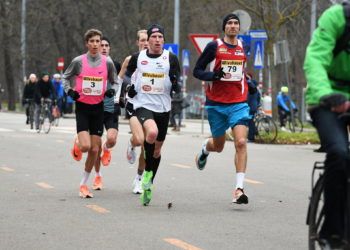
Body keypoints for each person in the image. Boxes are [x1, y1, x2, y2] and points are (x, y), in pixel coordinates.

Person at [303, 2, 350, 248]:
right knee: (340, 154)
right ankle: (331, 233)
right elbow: (315, 58)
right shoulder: (337, 17)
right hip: (327, 98)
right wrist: (325, 93)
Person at [193, 13, 253, 204]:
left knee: (241, 142)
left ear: (239, 28)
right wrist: (214, 76)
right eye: (229, 23)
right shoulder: (214, 46)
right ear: (224, 27)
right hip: (216, 104)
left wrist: (249, 83)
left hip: (238, 103)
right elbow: (197, 71)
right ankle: (205, 148)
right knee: (218, 147)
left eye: (236, 23)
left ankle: (239, 189)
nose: (233, 26)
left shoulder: (245, 46)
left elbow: (240, 71)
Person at [123, 24, 181, 205]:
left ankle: (148, 183)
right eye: (154, 37)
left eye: (160, 37)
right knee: (152, 133)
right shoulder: (138, 57)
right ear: (148, 41)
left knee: (156, 150)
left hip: (163, 107)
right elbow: (127, 76)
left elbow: (176, 81)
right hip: (143, 104)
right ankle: (146, 172)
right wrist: (129, 88)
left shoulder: (171, 58)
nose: (157, 40)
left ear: (164, 40)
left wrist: (175, 84)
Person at [62, 29, 119, 198]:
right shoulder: (79, 61)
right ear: (87, 43)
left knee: (95, 150)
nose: (96, 45)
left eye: (98, 42)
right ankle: (78, 142)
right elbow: (65, 77)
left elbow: (115, 81)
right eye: (92, 41)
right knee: (86, 146)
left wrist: (111, 92)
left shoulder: (107, 62)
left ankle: (83, 185)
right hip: (82, 107)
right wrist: (69, 91)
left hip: (98, 108)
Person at [119, 29, 148, 194]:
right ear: (138, 42)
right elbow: (122, 77)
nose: (145, 43)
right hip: (133, 103)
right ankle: (131, 144)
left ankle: (138, 179)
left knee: (147, 146)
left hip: (150, 105)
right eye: (142, 40)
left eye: (147, 40)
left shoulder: (157, 60)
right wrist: (126, 89)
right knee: (139, 139)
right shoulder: (131, 59)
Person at [91, 36, 122, 191]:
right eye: (101, 45)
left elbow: (121, 82)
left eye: (106, 45)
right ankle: (98, 176)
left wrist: (121, 98)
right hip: (95, 108)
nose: (103, 47)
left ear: (109, 48)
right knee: (94, 147)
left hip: (111, 107)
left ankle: (107, 148)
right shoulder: (90, 64)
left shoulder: (115, 65)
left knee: (111, 139)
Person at [246, 72, 260, 142]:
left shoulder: (249, 86)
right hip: (254, 106)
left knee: (250, 122)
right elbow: (258, 97)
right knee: (252, 121)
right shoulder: (255, 87)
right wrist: (258, 105)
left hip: (249, 107)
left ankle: (251, 137)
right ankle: (255, 132)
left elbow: (247, 98)